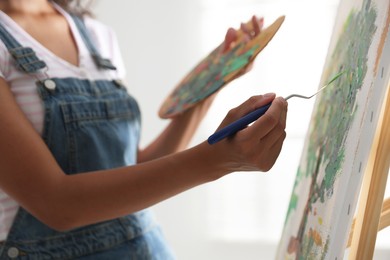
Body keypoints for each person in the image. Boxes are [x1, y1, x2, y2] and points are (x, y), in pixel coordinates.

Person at [0, 0, 288, 259]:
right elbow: (57, 204)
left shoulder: (96, 35)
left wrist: (214, 78)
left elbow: (132, 169)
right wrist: (217, 160)